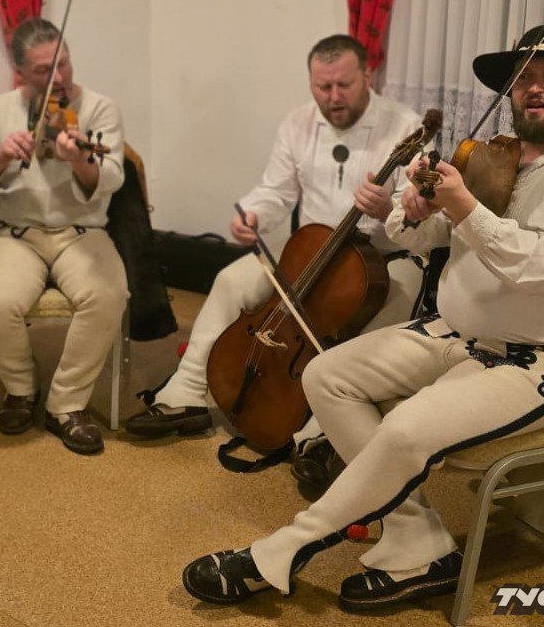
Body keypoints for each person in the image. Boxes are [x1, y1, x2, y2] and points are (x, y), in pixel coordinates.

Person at [181, 23, 544, 612]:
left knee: (404, 429)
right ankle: (418, 541)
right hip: (454, 335)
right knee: (325, 375)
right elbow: (429, 239)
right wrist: (417, 210)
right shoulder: (500, 155)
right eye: (524, 77)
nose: (534, 88)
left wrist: (464, 204)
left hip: (539, 361)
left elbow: (543, 265)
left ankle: (280, 552)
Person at [125, 35, 427, 466]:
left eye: (344, 85)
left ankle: (321, 433)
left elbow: (420, 208)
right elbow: (276, 191)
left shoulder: (405, 126)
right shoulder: (297, 123)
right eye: (323, 87)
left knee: (387, 311)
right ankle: (186, 392)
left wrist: (388, 208)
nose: (333, 97)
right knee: (231, 281)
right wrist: (252, 214)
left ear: (367, 75)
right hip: (309, 250)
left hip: (383, 255)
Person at [0, 18, 127, 456]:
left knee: (108, 295)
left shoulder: (99, 108)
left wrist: (80, 161)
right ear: (20, 72)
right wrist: (0, 156)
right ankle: (20, 388)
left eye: (64, 63)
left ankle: (66, 404)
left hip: (81, 231)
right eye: (43, 70)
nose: (59, 78)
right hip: (17, 233)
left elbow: (112, 176)